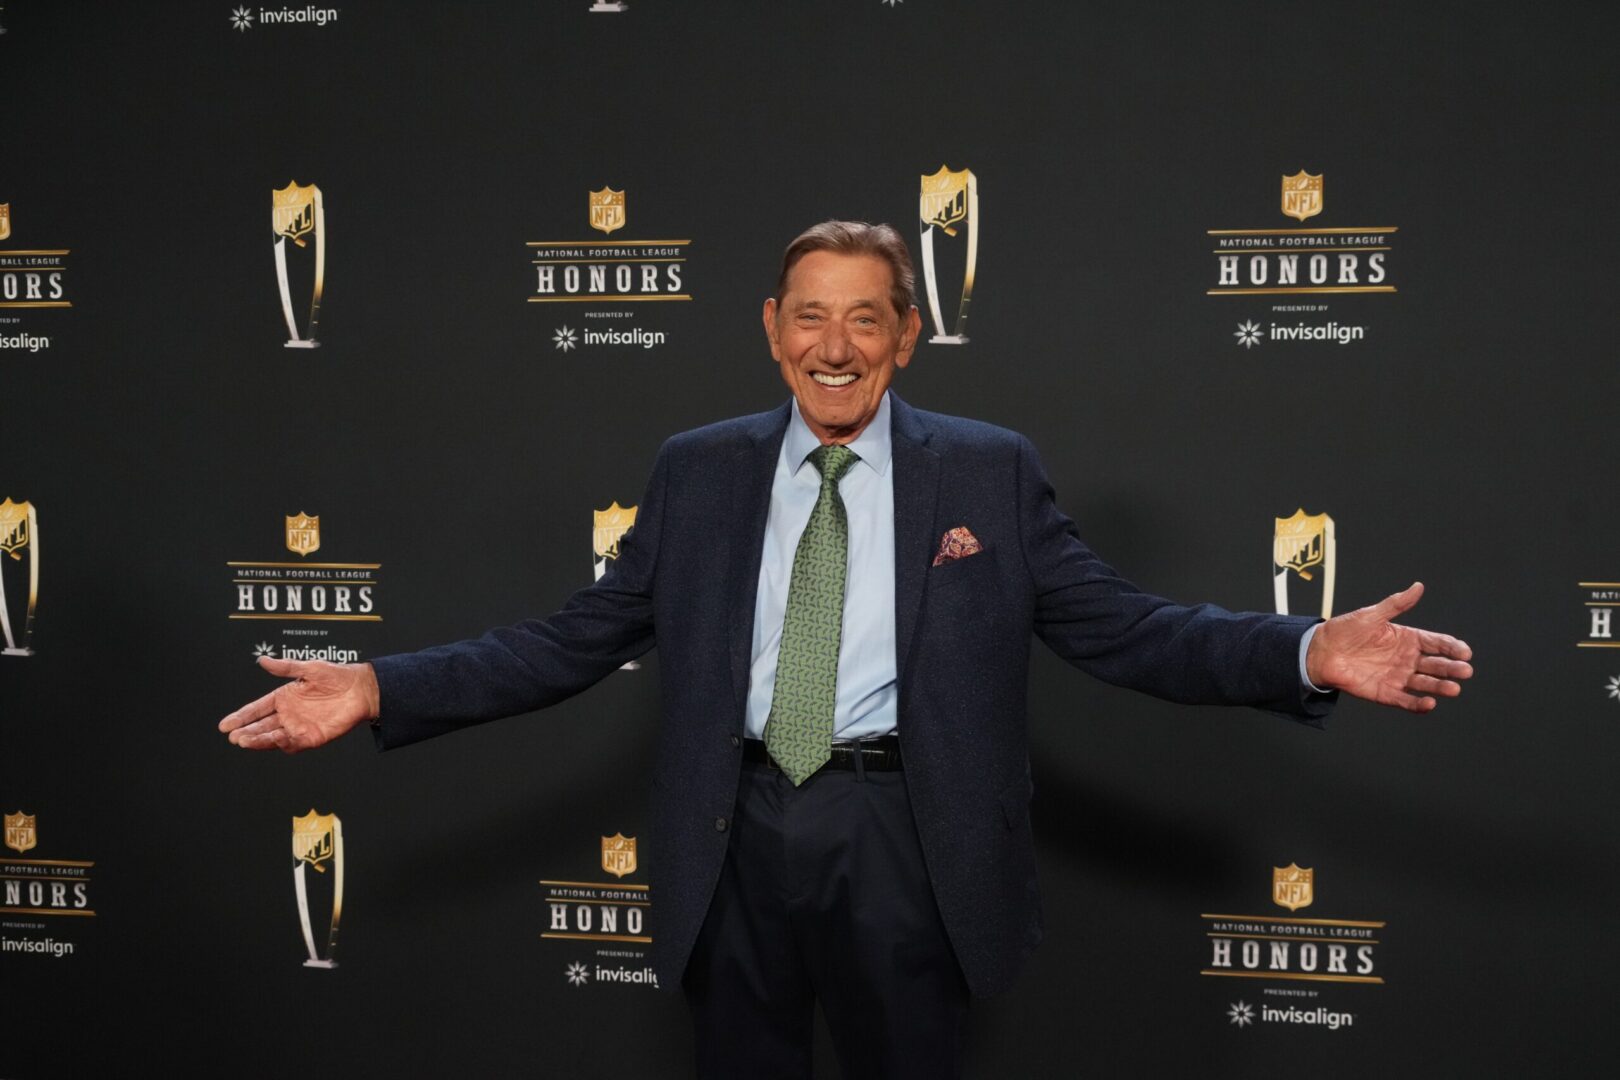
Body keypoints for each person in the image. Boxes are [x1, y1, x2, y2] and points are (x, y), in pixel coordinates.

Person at [219, 221, 1473, 1079]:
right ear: (771, 329)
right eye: (810, 317)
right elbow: (572, 639)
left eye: (864, 320)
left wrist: (1306, 650)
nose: (834, 346)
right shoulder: (698, 471)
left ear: (907, 334)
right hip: (735, 834)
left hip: (903, 838)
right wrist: (380, 685)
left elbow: (1127, 628)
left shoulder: (985, 470)